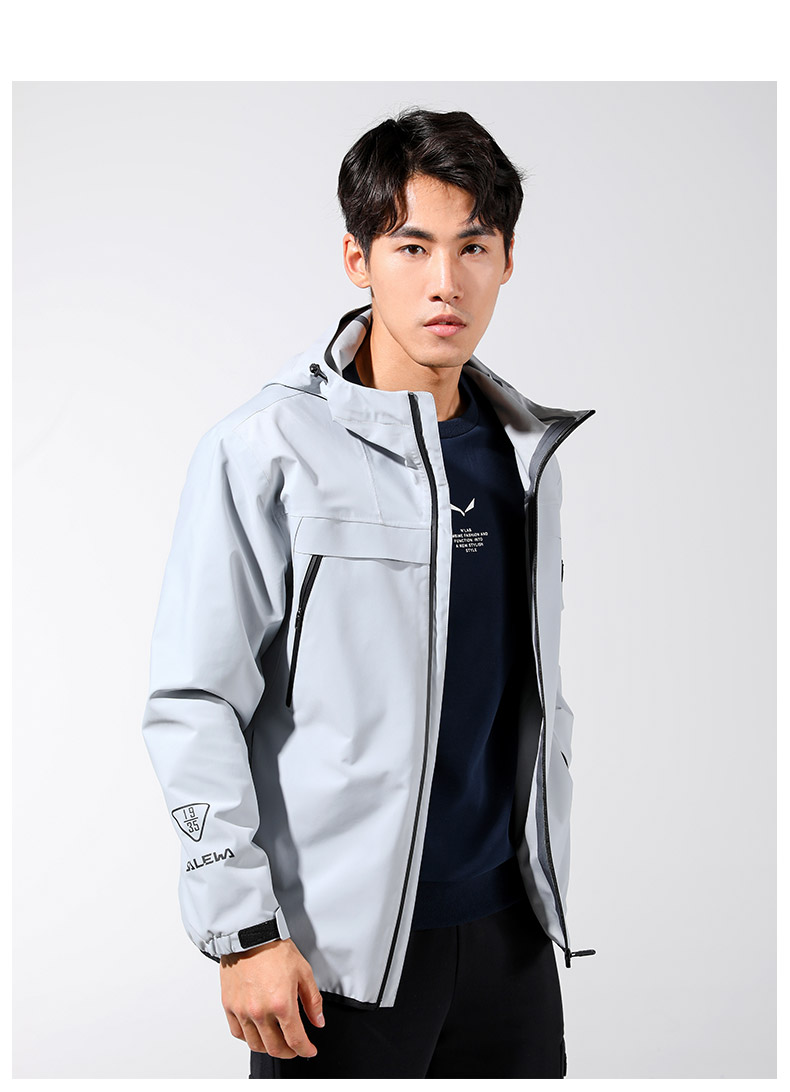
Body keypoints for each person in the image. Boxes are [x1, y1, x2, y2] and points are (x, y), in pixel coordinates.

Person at [141, 107, 595, 1079]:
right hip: (336, 962)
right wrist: (242, 932)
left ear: (506, 261)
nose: (445, 282)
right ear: (358, 258)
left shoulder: (523, 455)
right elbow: (194, 701)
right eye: (412, 246)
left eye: (473, 247)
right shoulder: (267, 449)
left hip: (510, 939)